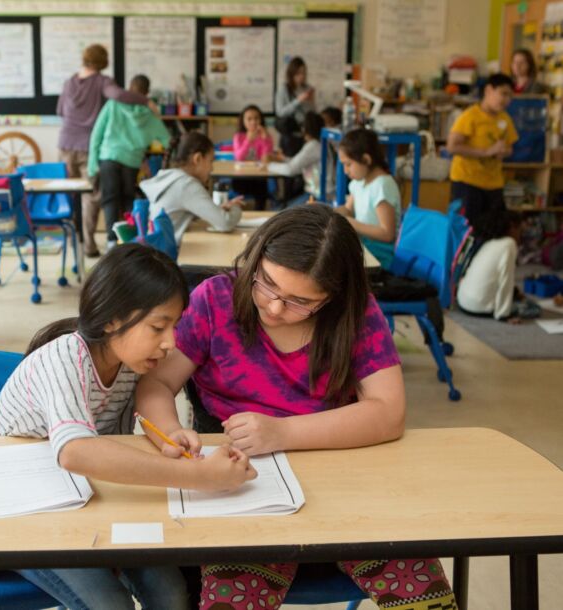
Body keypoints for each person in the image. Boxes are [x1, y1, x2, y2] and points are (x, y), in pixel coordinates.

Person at [135, 205, 458, 610]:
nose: (273, 308)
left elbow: (388, 412)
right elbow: (156, 383)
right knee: (232, 598)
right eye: (266, 284)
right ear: (255, 260)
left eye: (299, 301)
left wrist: (283, 432)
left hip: (344, 483)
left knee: (424, 595)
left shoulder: (356, 314)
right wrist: (169, 432)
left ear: (334, 297)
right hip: (245, 487)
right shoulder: (215, 300)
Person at [0, 243, 257, 610]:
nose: (170, 343)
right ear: (110, 320)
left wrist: (167, 434)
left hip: (94, 496)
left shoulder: (129, 361)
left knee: (171, 593)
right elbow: (76, 452)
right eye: (157, 327)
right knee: (110, 604)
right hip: (28, 507)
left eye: (175, 326)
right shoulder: (64, 359)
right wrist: (199, 477)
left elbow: (140, 414)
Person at [57, 44, 153, 257]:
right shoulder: (103, 81)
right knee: (91, 196)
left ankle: (71, 242)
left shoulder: (69, 82)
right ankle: (89, 245)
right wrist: (145, 100)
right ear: (103, 61)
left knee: (68, 195)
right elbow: (118, 95)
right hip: (88, 146)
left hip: (64, 143)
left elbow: (60, 110)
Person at [87, 74, 171, 251]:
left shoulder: (113, 104)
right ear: (146, 92)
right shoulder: (149, 113)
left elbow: (97, 134)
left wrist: (92, 163)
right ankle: (129, 241)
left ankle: (111, 241)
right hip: (131, 161)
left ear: (128, 89)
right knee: (128, 200)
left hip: (109, 156)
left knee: (110, 199)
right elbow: (167, 141)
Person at [140, 132, 243, 244]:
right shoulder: (186, 185)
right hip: (172, 255)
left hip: (159, 249)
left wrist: (218, 208)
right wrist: (236, 207)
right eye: (211, 161)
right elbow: (225, 223)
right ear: (197, 159)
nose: (212, 168)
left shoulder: (170, 176)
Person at [447, 73, 518, 232]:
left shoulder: (505, 119)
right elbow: (452, 146)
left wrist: (504, 152)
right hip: (467, 182)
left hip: (493, 183)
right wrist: (486, 152)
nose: (507, 100)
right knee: (467, 231)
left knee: (496, 229)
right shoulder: (470, 116)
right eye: (503, 94)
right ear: (488, 90)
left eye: (510, 96)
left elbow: (510, 148)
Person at [335, 128, 401, 270]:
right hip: (364, 246)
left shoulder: (383, 185)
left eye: (348, 164)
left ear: (366, 160)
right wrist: (325, 210)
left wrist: (349, 222)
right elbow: (347, 210)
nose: (345, 170)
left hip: (380, 253)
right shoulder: (358, 182)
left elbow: (387, 234)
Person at [457, 210, 535, 322]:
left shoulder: (490, 242)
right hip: (478, 307)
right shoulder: (509, 244)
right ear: (512, 226)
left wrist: (514, 292)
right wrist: (504, 314)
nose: (520, 235)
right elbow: (505, 279)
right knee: (532, 309)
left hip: (464, 300)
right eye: (520, 230)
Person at [267, 111, 329, 206]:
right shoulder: (321, 143)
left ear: (304, 129)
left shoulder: (313, 146)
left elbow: (290, 169)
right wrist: (283, 159)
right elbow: (299, 162)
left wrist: (268, 166)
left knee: (284, 213)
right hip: (319, 192)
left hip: (317, 195)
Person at [233, 104, 274, 210]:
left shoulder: (266, 136)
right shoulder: (239, 136)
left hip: (258, 176)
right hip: (241, 176)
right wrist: (248, 140)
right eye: (249, 119)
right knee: (240, 186)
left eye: (256, 118)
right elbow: (239, 157)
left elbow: (265, 160)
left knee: (261, 185)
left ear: (261, 120)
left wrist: (265, 140)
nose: (253, 122)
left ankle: (259, 212)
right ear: (243, 121)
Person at [275, 56, 316, 156]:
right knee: (290, 164)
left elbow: (312, 113)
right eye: (298, 73)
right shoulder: (284, 89)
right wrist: (298, 100)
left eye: (303, 73)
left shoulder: (308, 88)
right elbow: (280, 112)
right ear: (291, 74)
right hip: (290, 134)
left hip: (306, 134)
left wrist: (310, 101)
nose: (301, 76)